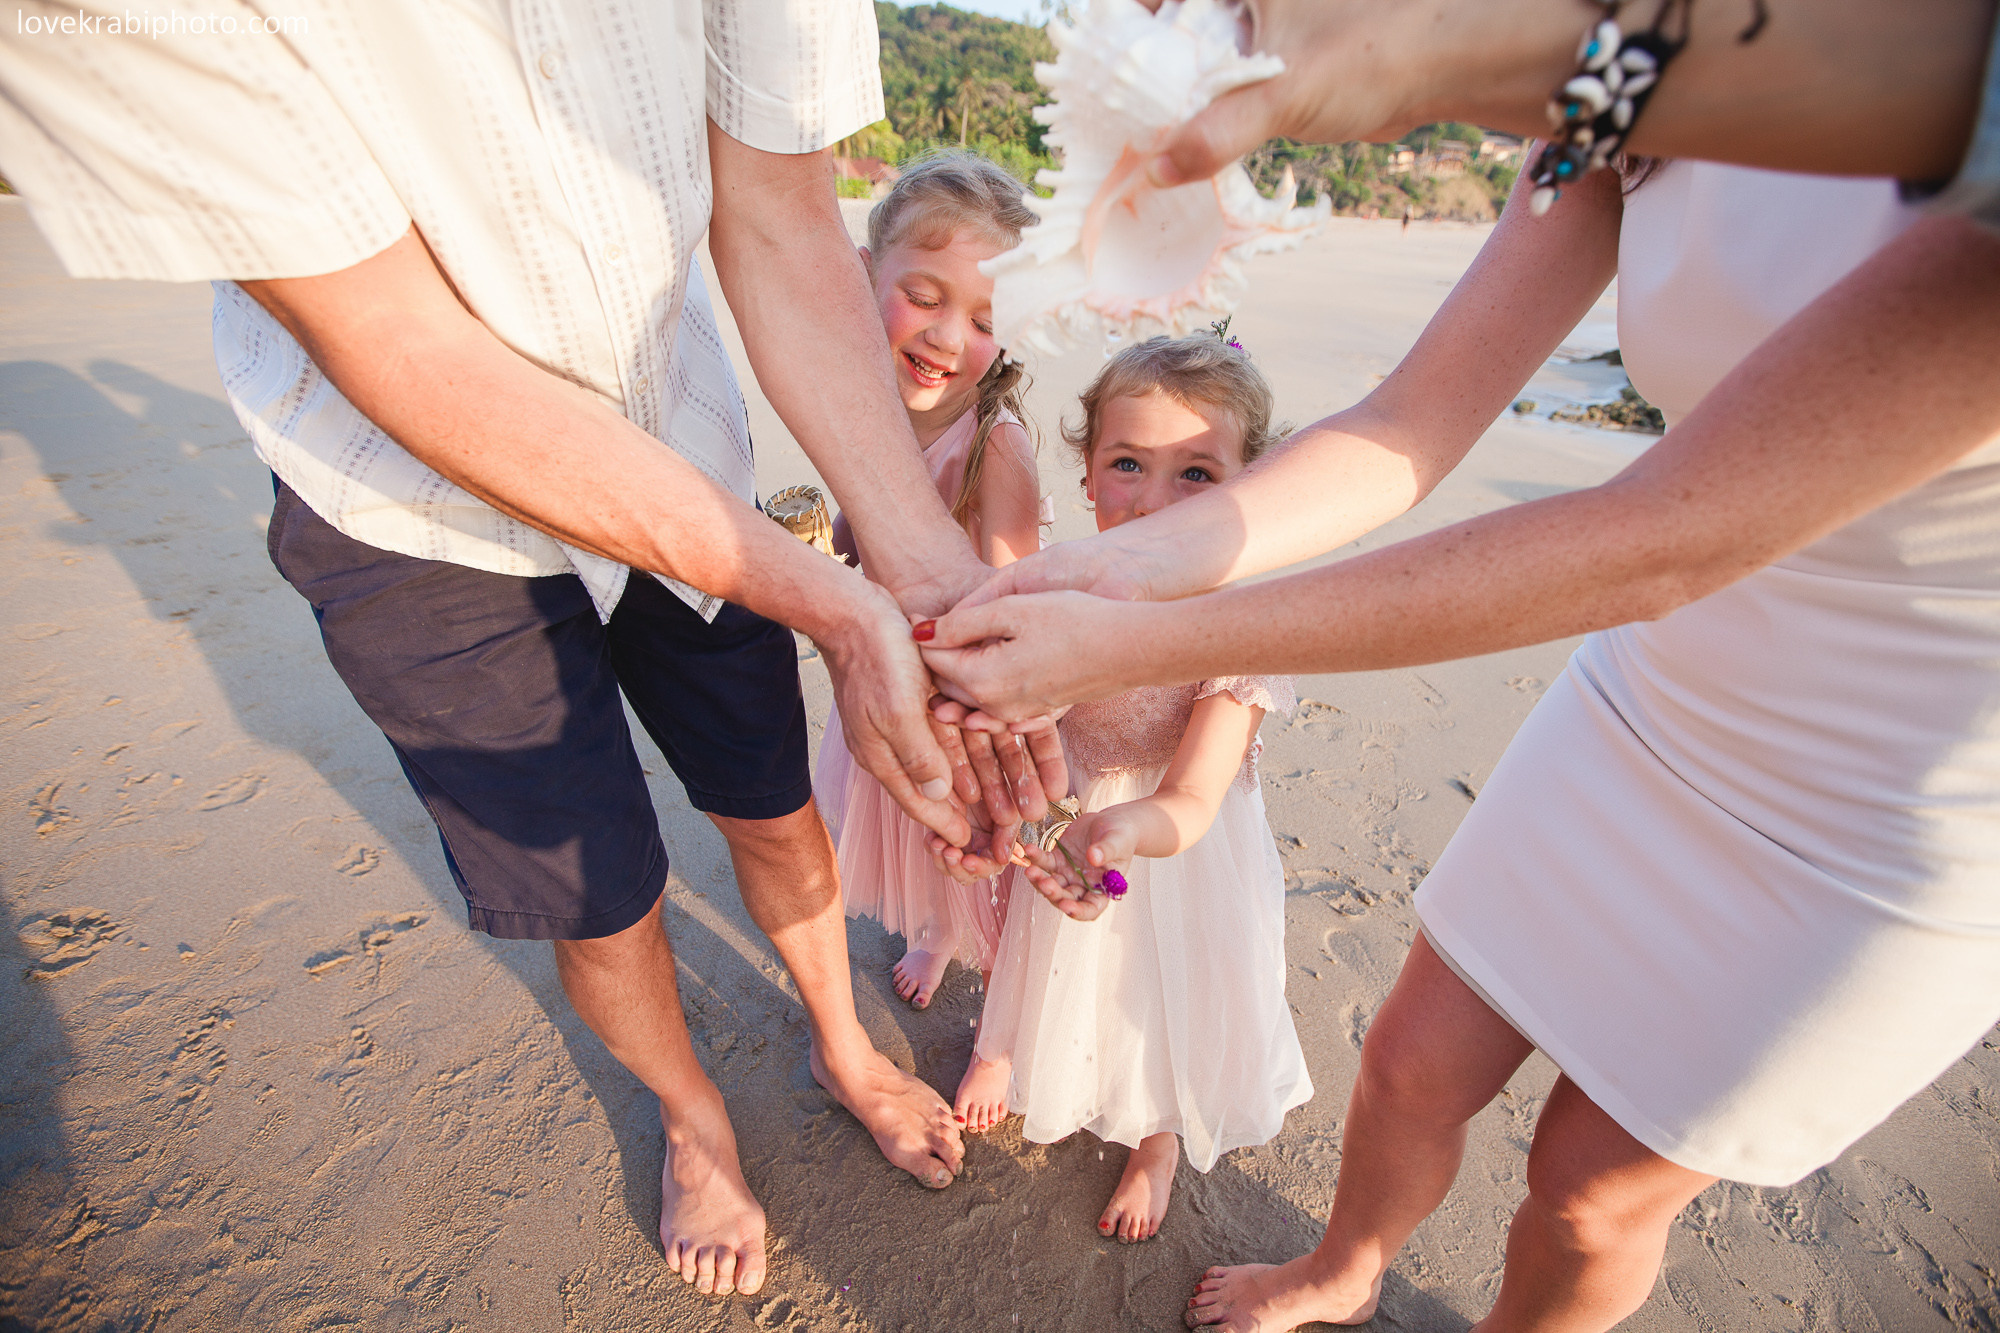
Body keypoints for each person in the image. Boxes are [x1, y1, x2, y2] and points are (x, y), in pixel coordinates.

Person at [0, 0, 1020, 1301]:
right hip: (400, 502)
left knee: (771, 802)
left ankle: (845, 1044)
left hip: (679, 429)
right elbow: (398, 342)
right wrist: (837, 602)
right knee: (600, 896)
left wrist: (920, 589)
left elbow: (773, 210)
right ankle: (691, 1116)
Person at [924, 161, 2000, 1329]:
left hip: (1902, 801)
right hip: (1651, 703)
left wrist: (1140, 634)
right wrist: (1109, 585)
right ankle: (1340, 1265)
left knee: (1591, 1190)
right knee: (1410, 1063)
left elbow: (1656, 547)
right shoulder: (1616, 94)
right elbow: (1402, 422)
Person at [957, 334, 1314, 1246]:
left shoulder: (1240, 620)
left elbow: (1194, 799)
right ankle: (1003, 1043)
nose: (1155, 501)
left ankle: (1159, 1133)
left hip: (1177, 840)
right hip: (1076, 803)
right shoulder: (1065, 586)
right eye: (1128, 463)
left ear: (1249, 484)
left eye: (1196, 474)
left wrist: (1123, 830)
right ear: (1085, 470)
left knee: (1166, 987)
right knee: (1044, 945)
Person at [814, 153, 1048, 1015]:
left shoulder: (998, 446)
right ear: (868, 273)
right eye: (924, 296)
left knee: (946, 829)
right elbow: (863, 521)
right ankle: (931, 921)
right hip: (873, 662)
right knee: (887, 814)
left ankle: (948, 932)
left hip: (950, 692)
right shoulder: (862, 403)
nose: (949, 337)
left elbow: (1013, 595)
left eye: (985, 318)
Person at [1137, 0, 2000, 226]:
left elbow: (1678, 538)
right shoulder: (1586, 148)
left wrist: (1426, 59)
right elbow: (1412, 419)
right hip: (1624, 669)